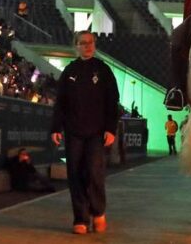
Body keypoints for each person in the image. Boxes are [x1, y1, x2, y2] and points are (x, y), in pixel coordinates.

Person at [51, 31, 120, 235]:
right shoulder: (69, 71)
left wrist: (111, 128)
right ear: (76, 46)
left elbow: (112, 102)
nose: (87, 46)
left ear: (94, 45)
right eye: (83, 43)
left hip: (97, 132)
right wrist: (56, 127)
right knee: (75, 174)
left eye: (90, 43)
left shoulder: (103, 70)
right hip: (73, 132)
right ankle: (81, 217)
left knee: (94, 172)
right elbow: (60, 103)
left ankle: (98, 212)